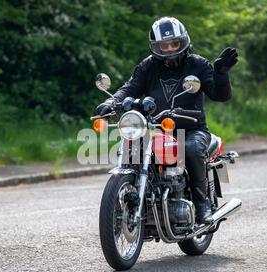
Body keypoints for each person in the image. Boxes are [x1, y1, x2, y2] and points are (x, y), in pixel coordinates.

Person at [95, 17, 238, 224]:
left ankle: (201, 203)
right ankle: (138, 201)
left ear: (183, 41)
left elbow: (220, 95)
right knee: (133, 148)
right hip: (154, 129)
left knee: (190, 149)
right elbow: (130, 88)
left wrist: (221, 73)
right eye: (164, 45)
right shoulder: (148, 66)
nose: (170, 49)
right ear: (155, 46)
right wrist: (113, 102)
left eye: (174, 44)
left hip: (192, 129)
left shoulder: (198, 64)